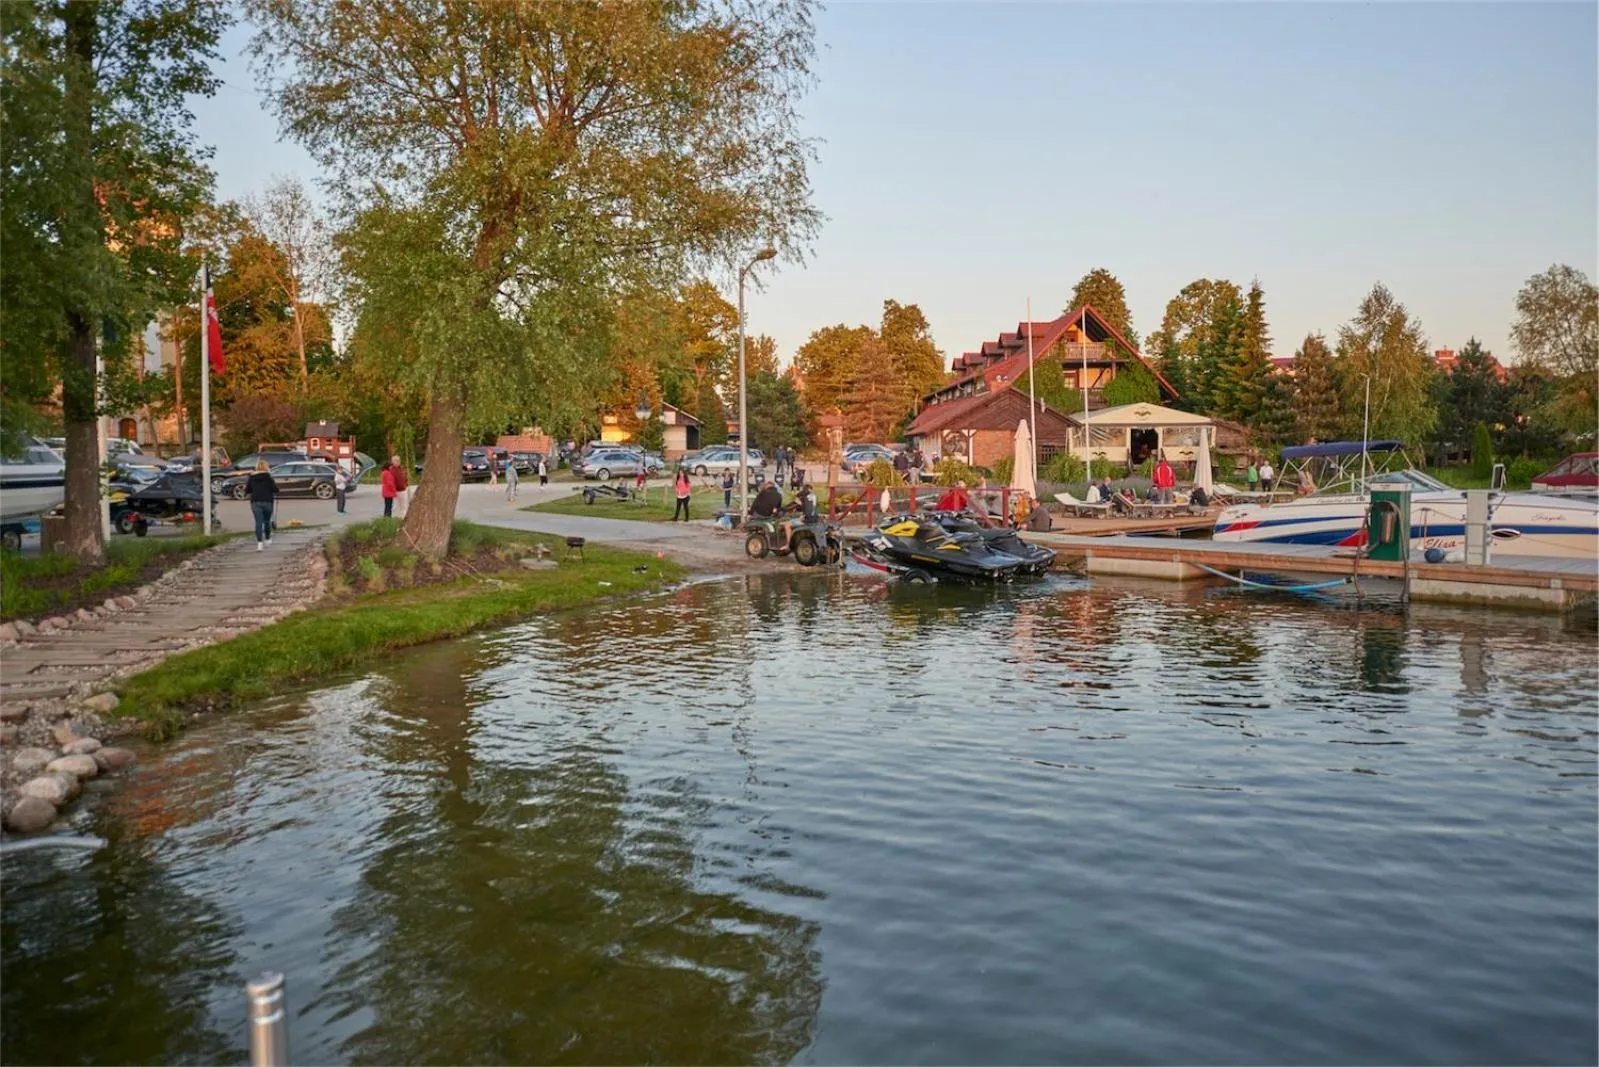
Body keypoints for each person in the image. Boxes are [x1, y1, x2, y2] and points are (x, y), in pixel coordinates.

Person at [246, 460, 277, 550]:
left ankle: (259, 543)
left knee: (258, 522)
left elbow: (248, 490)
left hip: (255, 502)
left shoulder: (252, 477)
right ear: (267, 467)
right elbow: (275, 489)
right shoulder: (269, 478)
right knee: (267, 521)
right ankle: (267, 538)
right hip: (267, 501)